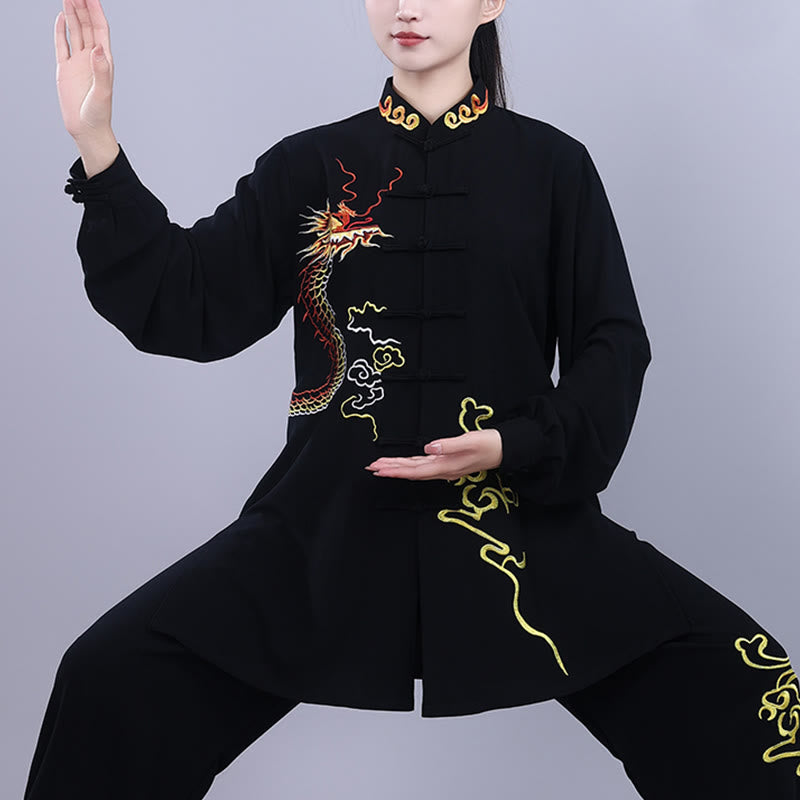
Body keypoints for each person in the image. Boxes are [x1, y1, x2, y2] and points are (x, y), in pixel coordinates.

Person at [25, 0, 798, 797]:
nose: (406, 6)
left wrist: (514, 444)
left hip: (513, 528)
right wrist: (97, 143)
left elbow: (613, 349)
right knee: (107, 680)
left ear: (490, 3)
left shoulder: (553, 167)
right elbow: (186, 299)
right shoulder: (310, 168)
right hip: (325, 530)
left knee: (752, 695)